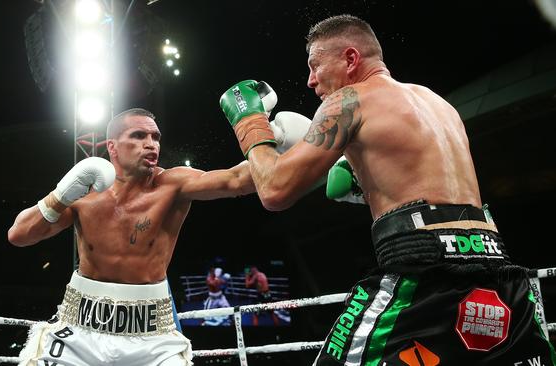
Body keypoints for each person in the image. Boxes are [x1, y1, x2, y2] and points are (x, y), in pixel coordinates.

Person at [219, 14, 555, 366]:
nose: (310, 81)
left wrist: (250, 121)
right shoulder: (437, 103)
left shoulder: (348, 101)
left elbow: (275, 190)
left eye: (315, 66)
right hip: (497, 275)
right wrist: (362, 185)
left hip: (424, 279)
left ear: (351, 59)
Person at [7, 108, 261, 366]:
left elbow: (238, 179)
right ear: (112, 147)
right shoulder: (84, 193)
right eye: (139, 136)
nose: (151, 144)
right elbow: (20, 235)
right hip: (81, 326)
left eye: (155, 137)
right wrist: (59, 195)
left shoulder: (173, 185)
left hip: (152, 333)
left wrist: (262, 136)